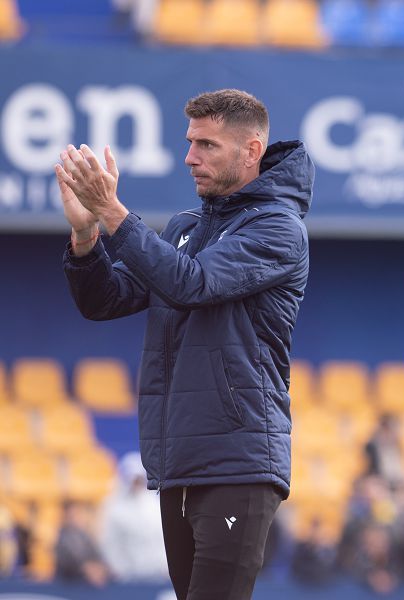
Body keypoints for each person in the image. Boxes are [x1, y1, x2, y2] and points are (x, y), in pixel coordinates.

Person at [57, 88, 313, 600]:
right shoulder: (186, 227)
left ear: (251, 150)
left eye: (207, 145)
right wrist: (86, 236)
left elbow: (191, 284)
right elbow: (105, 300)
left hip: (238, 459)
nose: (189, 156)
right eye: (190, 141)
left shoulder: (278, 227)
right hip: (179, 460)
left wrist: (113, 211)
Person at [98, 452, 168, 583]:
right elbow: (110, 543)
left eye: (139, 479)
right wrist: (121, 571)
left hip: (157, 576)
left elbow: (163, 538)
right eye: (133, 480)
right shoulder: (113, 507)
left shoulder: (155, 504)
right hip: (128, 578)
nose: (136, 484)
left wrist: (165, 566)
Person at [55, 501, 110, 587]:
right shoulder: (61, 538)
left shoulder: (86, 536)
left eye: (77, 514)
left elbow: (97, 555)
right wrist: (86, 569)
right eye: (71, 516)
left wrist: (100, 568)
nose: (74, 518)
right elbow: (66, 562)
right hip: (71, 584)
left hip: (90, 581)